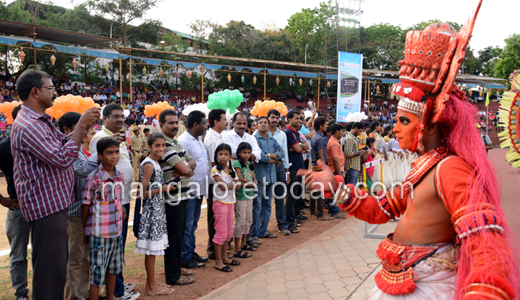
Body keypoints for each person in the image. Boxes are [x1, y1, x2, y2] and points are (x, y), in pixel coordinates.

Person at [301, 15, 520, 299]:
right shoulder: (424, 167)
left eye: (404, 121)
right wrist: (335, 187)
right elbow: (381, 210)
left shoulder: (451, 169)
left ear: (429, 124)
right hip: (405, 280)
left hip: (429, 286)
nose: (394, 127)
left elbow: (486, 247)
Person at [11, 70, 100, 299]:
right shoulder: (29, 124)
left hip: (53, 204)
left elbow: (61, 143)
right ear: (35, 92)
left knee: (56, 270)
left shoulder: (39, 120)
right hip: (45, 207)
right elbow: (62, 158)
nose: (55, 92)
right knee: (50, 272)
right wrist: (80, 126)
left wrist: (78, 129)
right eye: (51, 88)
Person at [89, 104, 139, 300]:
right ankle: (117, 292)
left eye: (122, 116)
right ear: (105, 118)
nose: (120, 119)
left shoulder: (120, 137)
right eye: (116, 116)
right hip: (110, 205)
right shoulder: (99, 138)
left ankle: (118, 284)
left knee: (118, 247)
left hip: (122, 199)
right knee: (111, 250)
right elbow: (96, 170)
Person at [59, 112, 97, 300]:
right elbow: (82, 171)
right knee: (75, 259)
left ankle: (82, 294)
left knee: (84, 258)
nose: (87, 130)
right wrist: (101, 152)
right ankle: (73, 296)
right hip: (73, 213)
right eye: (82, 126)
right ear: (67, 129)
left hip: (84, 211)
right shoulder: (67, 148)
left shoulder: (79, 149)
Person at [82, 137, 125, 300]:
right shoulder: (93, 178)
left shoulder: (119, 176)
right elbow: (86, 205)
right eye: (109, 153)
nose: (114, 156)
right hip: (99, 233)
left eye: (116, 152)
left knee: (113, 269)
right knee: (97, 274)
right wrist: (85, 230)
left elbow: (117, 200)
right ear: (100, 156)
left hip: (116, 232)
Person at [158, 109, 197, 285]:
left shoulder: (174, 143)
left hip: (181, 195)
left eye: (176, 122)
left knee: (179, 235)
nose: (175, 126)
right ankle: (173, 276)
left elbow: (192, 163)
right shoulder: (163, 144)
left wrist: (184, 167)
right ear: (161, 125)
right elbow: (188, 170)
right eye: (170, 123)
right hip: (172, 197)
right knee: (174, 238)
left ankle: (176, 270)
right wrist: (184, 168)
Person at [135, 133, 175, 296]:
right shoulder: (149, 165)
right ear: (149, 147)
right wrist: (162, 189)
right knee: (151, 250)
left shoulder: (155, 163)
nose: (161, 148)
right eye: (157, 146)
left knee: (153, 250)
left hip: (157, 210)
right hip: (151, 212)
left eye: (163, 145)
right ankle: (151, 287)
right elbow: (140, 193)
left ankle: (151, 283)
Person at [0, 106, 30, 300]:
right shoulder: (4, 146)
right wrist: (2, 200)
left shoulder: (42, 142)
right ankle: (21, 294)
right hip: (18, 206)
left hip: (43, 207)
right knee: (18, 254)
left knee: (44, 253)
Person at [178, 110, 210, 268]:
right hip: (189, 190)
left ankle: (191, 252)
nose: (206, 126)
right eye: (204, 123)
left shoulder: (197, 139)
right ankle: (185, 257)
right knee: (188, 224)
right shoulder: (183, 141)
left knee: (193, 224)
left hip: (199, 189)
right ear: (196, 124)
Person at [252, 116, 285, 241]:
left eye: (265, 122)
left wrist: (271, 156)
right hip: (260, 177)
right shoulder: (255, 138)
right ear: (257, 125)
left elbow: (282, 152)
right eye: (260, 123)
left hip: (272, 177)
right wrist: (273, 160)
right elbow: (260, 157)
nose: (263, 124)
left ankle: (263, 231)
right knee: (258, 206)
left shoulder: (271, 138)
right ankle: (255, 233)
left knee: (267, 205)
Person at [210, 143, 241, 272]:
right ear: (216, 156)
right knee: (221, 232)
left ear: (230, 156)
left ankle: (224, 257)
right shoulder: (215, 170)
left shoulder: (231, 170)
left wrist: (233, 184)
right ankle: (218, 261)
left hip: (230, 202)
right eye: (220, 154)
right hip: (220, 203)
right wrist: (234, 183)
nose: (223, 157)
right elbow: (222, 187)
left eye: (226, 154)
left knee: (228, 233)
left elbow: (238, 186)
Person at [204, 109, 227, 260]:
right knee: (215, 216)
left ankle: (220, 245)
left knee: (219, 215)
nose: (227, 121)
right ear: (216, 122)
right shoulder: (212, 139)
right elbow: (215, 163)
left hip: (221, 182)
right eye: (224, 119)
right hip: (216, 183)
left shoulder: (218, 136)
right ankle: (213, 249)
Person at [284, 110, 310, 233]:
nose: (299, 120)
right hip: (293, 167)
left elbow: (306, 147)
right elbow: (300, 149)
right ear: (289, 119)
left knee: (298, 193)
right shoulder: (288, 132)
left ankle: (293, 218)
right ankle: (289, 222)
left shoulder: (296, 132)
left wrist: (299, 146)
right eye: (296, 118)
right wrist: (300, 147)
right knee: (292, 195)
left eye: (300, 118)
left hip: (298, 166)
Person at [267, 109, 291, 236]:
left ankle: (282, 225)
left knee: (280, 197)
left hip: (280, 167)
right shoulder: (259, 133)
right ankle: (260, 227)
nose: (275, 120)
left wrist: (287, 171)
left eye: (277, 117)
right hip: (265, 168)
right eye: (272, 117)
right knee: (263, 199)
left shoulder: (282, 134)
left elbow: (285, 153)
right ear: (268, 118)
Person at [233, 142, 257, 257]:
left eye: (248, 152)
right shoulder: (238, 163)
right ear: (239, 153)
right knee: (240, 220)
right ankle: (237, 247)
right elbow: (239, 178)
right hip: (240, 195)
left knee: (248, 219)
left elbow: (254, 178)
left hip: (249, 194)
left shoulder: (250, 164)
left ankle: (243, 243)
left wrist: (254, 183)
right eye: (244, 152)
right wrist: (251, 183)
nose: (246, 155)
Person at [309, 116, 331, 220]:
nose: (327, 126)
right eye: (326, 124)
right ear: (321, 126)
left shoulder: (314, 136)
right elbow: (321, 155)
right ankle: (320, 214)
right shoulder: (320, 138)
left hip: (314, 165)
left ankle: (313, 211)